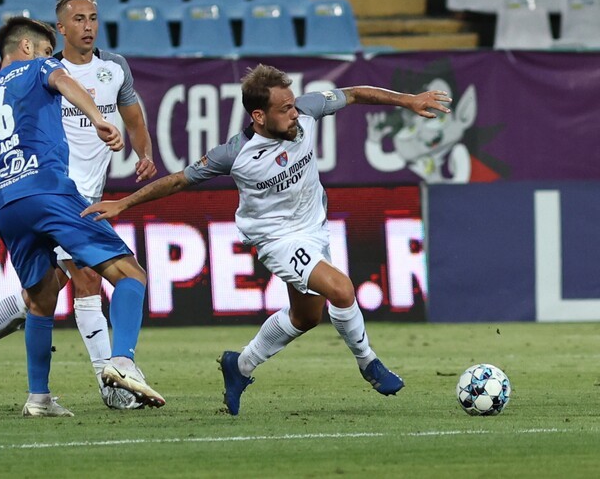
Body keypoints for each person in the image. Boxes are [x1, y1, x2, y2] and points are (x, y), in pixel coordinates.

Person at [83, 64, 453, 415]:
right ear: (259, 116)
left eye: (293, 105)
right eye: (284, 109)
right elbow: (180, 179)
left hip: (313, 227)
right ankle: (369, 363)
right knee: (341, 290)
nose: (294, 114)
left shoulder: (307, 111)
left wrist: (407, 100)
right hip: (275, 239)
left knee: (306, 317)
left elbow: (355, 94)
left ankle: (239, 366)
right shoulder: (234, 154)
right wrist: (125, 203)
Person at [0, 17, 165, 417]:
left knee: (42, 298)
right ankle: (120, 363)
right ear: (28, 49)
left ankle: (39, 398)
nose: (53, 59)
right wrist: (99, 118)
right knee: (130, 274)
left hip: (7, 205)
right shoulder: (40, 67)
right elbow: (65, 83)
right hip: (47, 190)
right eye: (48, 51)